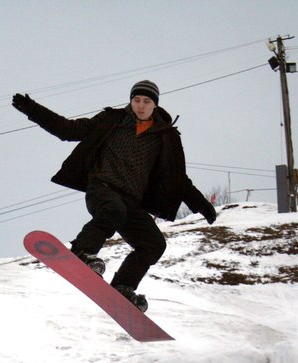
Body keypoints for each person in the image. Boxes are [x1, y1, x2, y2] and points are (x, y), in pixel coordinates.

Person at [12, 80, 217, 312]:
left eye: (146, 102)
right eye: (136, 100)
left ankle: (123, 286)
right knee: (113, 209)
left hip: (131, 202)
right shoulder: (113, 120)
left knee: (154, 244)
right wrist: (31, 109)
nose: (140, 106)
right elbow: (68, 130)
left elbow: (178, 179)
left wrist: (202, 206)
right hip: (102, 187)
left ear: (155, 105)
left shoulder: (166, 137)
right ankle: (82, 251)